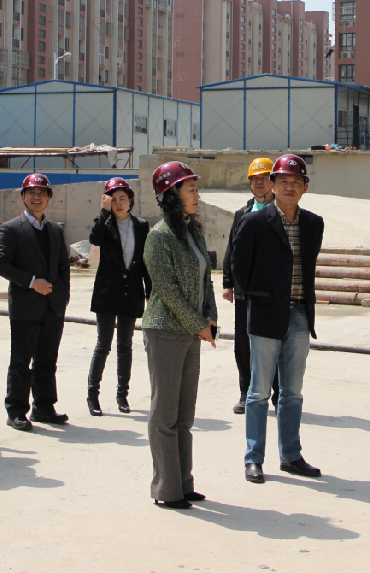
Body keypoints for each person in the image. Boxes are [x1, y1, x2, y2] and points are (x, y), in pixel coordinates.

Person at [234, 154, 325, 484]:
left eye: (296, 182)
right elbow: (239, 268)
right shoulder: (254, 222)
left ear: (305, 187)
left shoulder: (313, 224)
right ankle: (254, 458)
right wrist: (259, 298)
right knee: (259, 390)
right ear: (272, 185)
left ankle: (291, 455)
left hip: (299, 314)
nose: (289, 187)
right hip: (265, 316)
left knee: (292, 392)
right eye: (283, 181)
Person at [141, 161, 217, 510]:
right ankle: (166, 489)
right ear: (172, 195)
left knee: (185, 416)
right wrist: (197, 324)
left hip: (191, 331)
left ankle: (183, 484)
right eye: (191, 190)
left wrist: (210, 317)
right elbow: (167, 291)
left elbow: (206, 279)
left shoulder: (193, 231)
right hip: (165, 332)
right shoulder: (158, 237)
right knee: (165, 415)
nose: (197, 195)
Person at [0, 174, 71, 431]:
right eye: (31, 192)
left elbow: (63, 266)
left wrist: (63, 297)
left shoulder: (55, 230)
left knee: (47, 360)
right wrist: (31, 282)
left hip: (53, 307)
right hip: (25, 306)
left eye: (42, 193)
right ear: (23, 196)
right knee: (21, 361)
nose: (36, 197)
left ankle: (44, 407)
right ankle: (16, 410)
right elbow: (2, 264)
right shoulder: (11, 229)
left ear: (49, 197)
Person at [86, 177, 150, 416]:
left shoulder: (141, 225)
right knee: (103, 344)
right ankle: (93, 395)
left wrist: (150, 293)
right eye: (113, 199)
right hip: (107, 291)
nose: (119, 203)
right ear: (107, 201)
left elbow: (144, 262)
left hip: (131, 292)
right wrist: (103, 213)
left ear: (130, 200)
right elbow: (95, 240)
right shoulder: (104, 223)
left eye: (123, 198)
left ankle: (122, 395)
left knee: (125, 345)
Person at [221, 157, 279, 414]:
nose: (258, 183)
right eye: (254, 179)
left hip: (273, 291)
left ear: (272, 182)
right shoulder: (242, 214)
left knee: (275, 343)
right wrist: (228, 282)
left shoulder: (282, 212)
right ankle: (246, 392)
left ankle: (278, 394)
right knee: (243, 344)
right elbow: (231, 250)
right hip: (246, 291)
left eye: (264, 178)